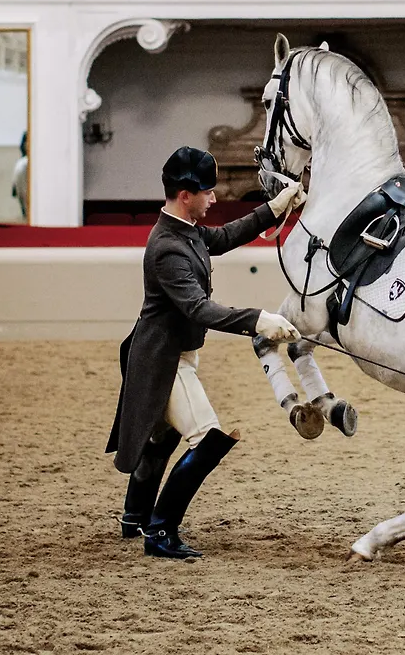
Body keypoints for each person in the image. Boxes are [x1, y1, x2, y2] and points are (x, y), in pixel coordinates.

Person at [106, 146, 306, 560]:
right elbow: (198, 308)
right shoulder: (167, 247)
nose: (213, 199)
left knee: (163, 434)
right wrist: (258, 319)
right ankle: (160, 532)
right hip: (164, 359)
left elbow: (227, 235)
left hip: (173, 352)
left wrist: (274, 207)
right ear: (185, 193)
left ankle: (135, 514)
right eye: (207, 193)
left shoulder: (186, 231)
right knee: (208, 437)